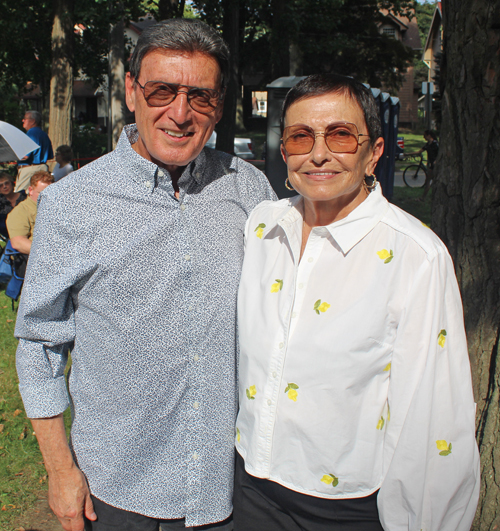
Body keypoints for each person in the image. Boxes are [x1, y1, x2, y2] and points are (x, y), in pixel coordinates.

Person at [15, 18, 275, 531]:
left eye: (199, 97)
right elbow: (39, 342)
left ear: (218, 106)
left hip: (230, 485)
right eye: (162, 91)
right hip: (117, 489)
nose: (180, 113)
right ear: (132, 91)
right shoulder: (72, 203)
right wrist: (59, 468)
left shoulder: (250, 190)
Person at [234, 74, 480, 531]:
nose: (319, 153)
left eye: (342, 136)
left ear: (375, 152)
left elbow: (430, 416)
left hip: (343, 509)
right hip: (251, 487)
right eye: (300, 136)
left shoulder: (414, 257)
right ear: (285, 151)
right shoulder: (261, 229)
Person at [15, 110, 54, 192]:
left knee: (19, 196)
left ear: (33, 121)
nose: (23, 120)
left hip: (29, 170)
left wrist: (12, 154)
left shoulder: (31, 133)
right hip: (43, 168)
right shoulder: (44, 134)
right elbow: (50, 156)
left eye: (25, 118)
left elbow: (25, 156)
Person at [406, 129, 439, 200]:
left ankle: (424, 197)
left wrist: (436, 161)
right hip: (431, 165)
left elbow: (439, 154)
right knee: (429, 181)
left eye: (425, 136)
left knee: (429, 181)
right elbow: (419, 151)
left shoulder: (435, 144)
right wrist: (408, 154)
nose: (424, 137)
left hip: (435, 165)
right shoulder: (428, 144)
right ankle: (426, 197)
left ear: (429, 135)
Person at [0, 172, 26, 239]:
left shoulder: (25, 198)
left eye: (7, 183)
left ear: (12, 183)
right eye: (1, 185)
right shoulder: (1, 203)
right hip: (10, 237)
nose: (4, 186)